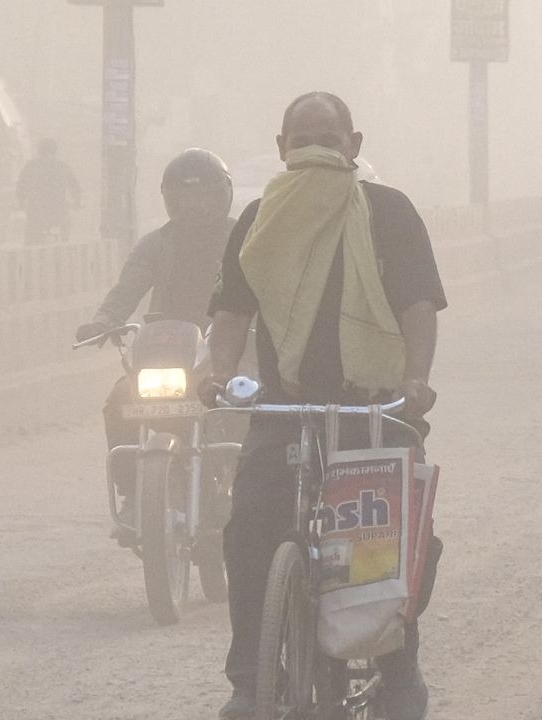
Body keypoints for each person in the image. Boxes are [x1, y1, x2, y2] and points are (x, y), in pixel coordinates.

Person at [202, 92, 445, 720]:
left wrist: (415, 379)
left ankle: (397, 670)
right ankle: (250, 680)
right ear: (281, 148)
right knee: (250, 526)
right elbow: (231, 312)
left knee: (390, 545)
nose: (315, 150)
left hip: (374, 409)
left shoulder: (390, 213)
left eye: (329, 139)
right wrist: (218, 374)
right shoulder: (257, 219)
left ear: (354, 146)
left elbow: (419, 305)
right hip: (284, 409)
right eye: (302, 138)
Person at [75, 148, 236, 541]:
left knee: (250, 407)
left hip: (226, 350)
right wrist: (105, 320)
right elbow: (127, 288)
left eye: (202, 196)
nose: (194, 206)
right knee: (118, 403)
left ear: (221, 196)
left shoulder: (241, 239)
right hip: (167, 351)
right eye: (184, 197)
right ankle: (133, 494)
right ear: (171, 199)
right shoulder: (154, 244)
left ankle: (245, 493)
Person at [17, 138, 82, 244]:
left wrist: (21, 202)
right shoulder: (62, 166)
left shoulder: (31, 166)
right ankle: (64, 244)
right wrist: (77, 202)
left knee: (29, 235)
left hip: (35, 212)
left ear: (39, 151)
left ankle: (29, 247)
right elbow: (75, 187)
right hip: (59, 212)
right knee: (67, 224)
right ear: (55, 151)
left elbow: (21, 186)